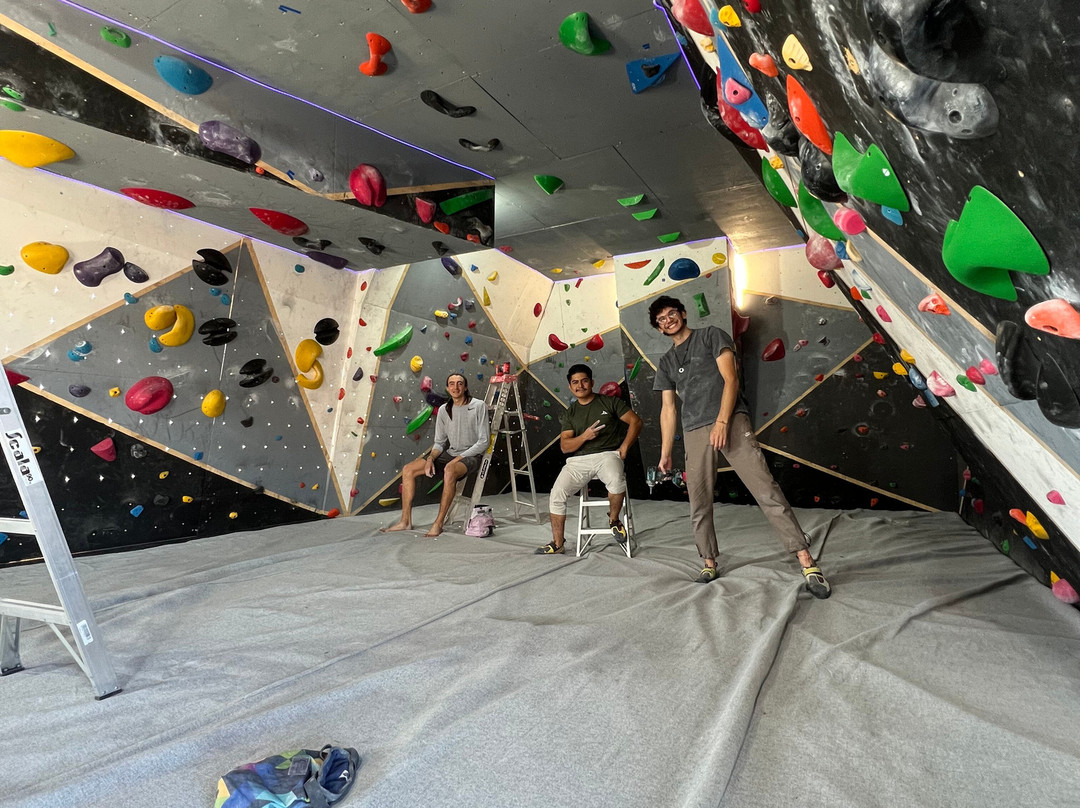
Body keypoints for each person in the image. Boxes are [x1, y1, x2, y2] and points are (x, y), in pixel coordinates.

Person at [649, 295, 831, 598]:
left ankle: (806, 560)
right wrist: (666, 453)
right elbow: (668, 410)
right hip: (694, 428)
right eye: (662, 320)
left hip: (730, 419)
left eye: (672, 314)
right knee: (699, 499)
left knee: (765, 488)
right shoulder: (666, 361)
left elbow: (730, 379)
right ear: (659, 329)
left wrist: (722, 422)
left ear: (682, 314)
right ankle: (708, 561)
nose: (669, 321)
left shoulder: (710, 336)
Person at [535, 364, 643, 554]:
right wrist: (584, 436)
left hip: (607, 455)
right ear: (570, 387)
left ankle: (614, 521)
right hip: (578, 461)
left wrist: (625, 447)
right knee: (556, 494)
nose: (580, 385)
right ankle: (557, 543)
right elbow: (565, 446)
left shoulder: (609, 402)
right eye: (575, 382)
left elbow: (636, 421)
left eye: (584, 381)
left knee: (617, 481)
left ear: (592, 382)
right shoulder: (571, 412)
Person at [383, 373, 490, 537]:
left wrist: (458, 459)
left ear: (465, 387)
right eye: (452, 384)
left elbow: (483, 442)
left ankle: (438, 523)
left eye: (460, 383)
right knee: (408, 469)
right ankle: (405, 521)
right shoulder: (443, 410)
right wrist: (430, 459)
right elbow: (439, 442)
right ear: (447, 388)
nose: (456, 387)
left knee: (449, 470)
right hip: (451, 454)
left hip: (472, 456)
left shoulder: (478, 405)